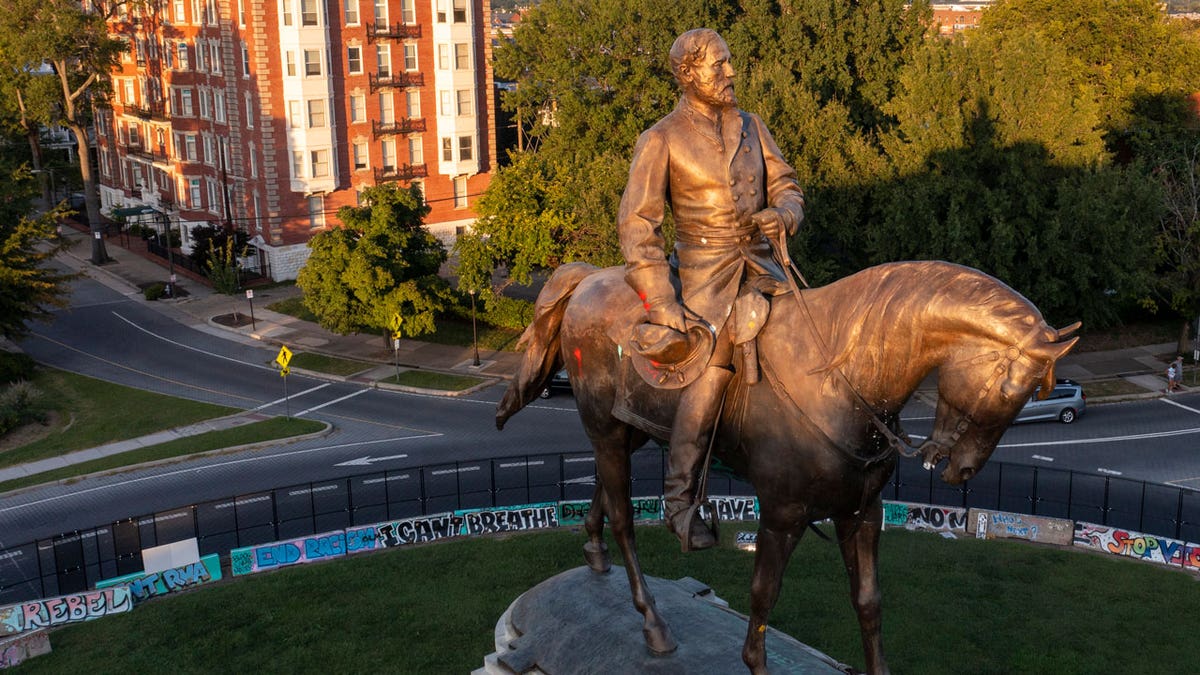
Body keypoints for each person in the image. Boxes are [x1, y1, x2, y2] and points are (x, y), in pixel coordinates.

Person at [618, 28, 806, 551]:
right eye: (719, 66)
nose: (730, 73)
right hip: (705, 276)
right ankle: (679, 502)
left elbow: (788, 185)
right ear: (688, 74)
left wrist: (782, 214)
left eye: (728, 63)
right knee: (713, 370)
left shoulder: (752, 125)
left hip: (765, 267)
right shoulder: (662, 138)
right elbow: (638, 225)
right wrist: (661, 299)